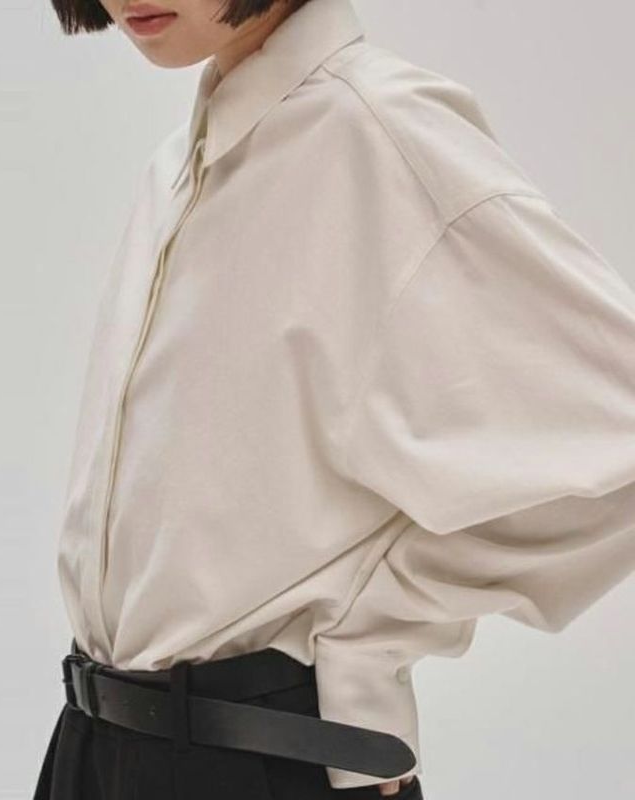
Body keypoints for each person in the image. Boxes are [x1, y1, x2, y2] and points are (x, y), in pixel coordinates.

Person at [33, 0, 635, 797]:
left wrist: (371, 631)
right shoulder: (178, 167)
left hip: (255, 758)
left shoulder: (377, 132)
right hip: (93, 745)